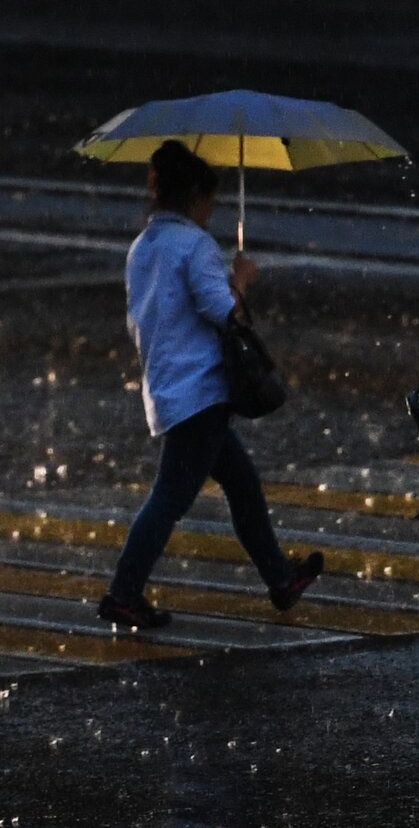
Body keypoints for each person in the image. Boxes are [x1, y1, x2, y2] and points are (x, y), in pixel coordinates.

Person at [99, 140, 323, 628]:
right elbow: (225, 314)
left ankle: (281, 578)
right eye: (211, 200)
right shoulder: (193, 245)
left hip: (167, 385)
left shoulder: (143, 246)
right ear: (194, 196)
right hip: (198, 393)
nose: (214, 210)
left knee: (242, 484)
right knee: (170, 498)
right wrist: (240, 280)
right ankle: (123, 592)